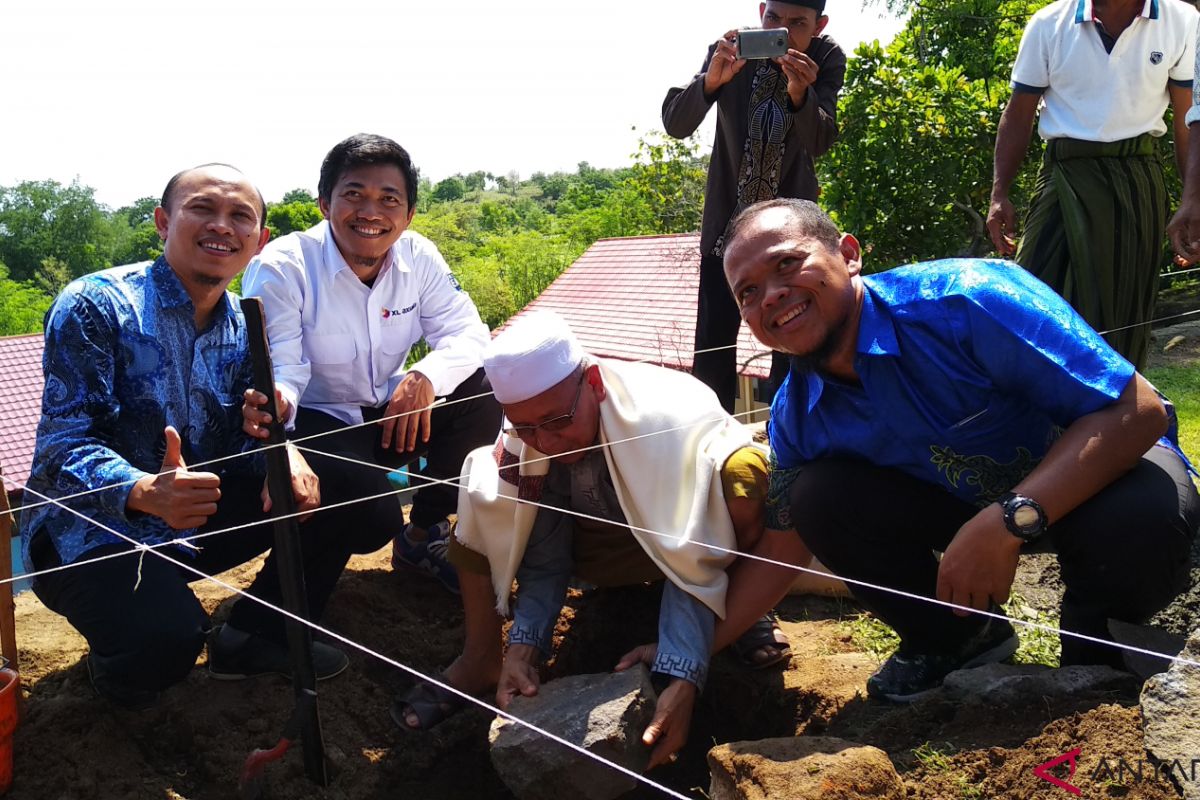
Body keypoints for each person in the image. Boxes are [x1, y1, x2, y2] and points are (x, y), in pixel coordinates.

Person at [724, 198, 1200, 702]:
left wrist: (1006, 522)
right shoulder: (796, 414)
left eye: (786, 263)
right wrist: (681, 661)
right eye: (748, 293)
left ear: (849, 254)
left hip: (1100, 475)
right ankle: (956, 638)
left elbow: (1138, 410)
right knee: (816, 496)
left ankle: (1100, 654)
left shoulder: (967, 300)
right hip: (966, 505)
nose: (772, 296)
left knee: (1145, 511)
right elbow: (780, 550)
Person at [20, 164, 376, 710]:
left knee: (347, 489)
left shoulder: (244, 323)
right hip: (89, 533)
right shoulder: (97, 305)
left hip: (193, 515)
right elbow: (64, 442)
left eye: (240, 216)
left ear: (260, 242)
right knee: (164, 644)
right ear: (164, 222)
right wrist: (140, 489)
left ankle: (256, 634)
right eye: (202, 209)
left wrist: (283, 450)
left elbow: (247, 433)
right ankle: (117, 670)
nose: (221, 226)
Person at [391, 311, 811, 768]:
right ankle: (481, 660)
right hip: (611, 546)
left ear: (592, 382)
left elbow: (691, 544)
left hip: (702, 535)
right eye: (524, 428)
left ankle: (741, 605)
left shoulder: (660, 420)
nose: (545, 441)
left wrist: (682, 671)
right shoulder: (531, 430)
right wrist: (524, 645)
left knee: (744, 476)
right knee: (484, 487)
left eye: (556, 422)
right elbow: (543, 552)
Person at [241, 134, 501, 594]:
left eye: (388, 199)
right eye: (354, 194)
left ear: (408, 214)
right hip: (315, 425)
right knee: (371, 513)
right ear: (324, 203)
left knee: (482, 393)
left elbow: (468, 334)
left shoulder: (418, 257)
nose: (371, 213)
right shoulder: (284, 265)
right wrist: (278, 401)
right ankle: (272, 606)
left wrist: (424, 375)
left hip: (388, 413)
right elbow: (283, 363)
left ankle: (422, 534)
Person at [986, 0, 1197, 370]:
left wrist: (1192, 201)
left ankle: (1116, 420)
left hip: (1137, 181)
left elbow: (1188, 119)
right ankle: (1034, 421)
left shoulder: (1181, 20)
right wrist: (999, 193)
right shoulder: (1049, 23)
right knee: (1031, 302)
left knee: (1121, 315)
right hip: (1062, 175)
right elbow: (1018, 113)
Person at [663, 0, 846, 413]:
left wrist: (801, 93)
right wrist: (710, 83)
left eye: (798, 23)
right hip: (726, 234)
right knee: (713, 349)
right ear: (761, 9)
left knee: (795, 344)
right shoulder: (732, 48)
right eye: (773, 18)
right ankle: (711, 447)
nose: (782, 29)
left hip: (790, 242)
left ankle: (788, 443)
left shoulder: (826, 57)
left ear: (820, 25)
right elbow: (676, 123)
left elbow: (821, 141)